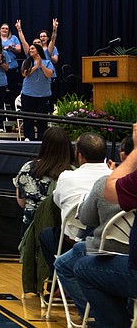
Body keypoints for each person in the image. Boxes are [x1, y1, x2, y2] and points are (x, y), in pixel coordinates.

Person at [54, 134, 133, 319]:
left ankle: (95, 317)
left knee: (70, 264)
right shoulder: (108, 178)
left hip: (109, 251)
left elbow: (86, 218)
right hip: (128, 250)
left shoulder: (106, 184)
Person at [72, 123, 137, 327]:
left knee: (82, 264)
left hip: (125, 262)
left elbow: (109, 192)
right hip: (124, 253)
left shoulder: (101, 181)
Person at [40, 132, 111, 268]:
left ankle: (62, 281)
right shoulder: (116, 178)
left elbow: (58, 202)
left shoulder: (67, 177)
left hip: (76, 243)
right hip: (112, 244)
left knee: (46, 234)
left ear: (79, 155)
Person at [13, 126, 74, 233]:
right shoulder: (74, 172)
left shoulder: (27, 168)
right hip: (62, 231)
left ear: (44, 145)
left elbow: (21, 202)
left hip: (31, 228)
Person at [20, 42, 55, 141]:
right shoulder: (27, 62)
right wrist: (36, 66)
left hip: (43, 94)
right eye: (30, 49)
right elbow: (25, 74)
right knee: (28, 116)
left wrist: (41, 65)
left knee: (42, 118)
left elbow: (49, 74)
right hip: (28, 93)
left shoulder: (47, 62)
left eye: (32, 49)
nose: (30, 50)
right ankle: (28, 136)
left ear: (38, 51)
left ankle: (42, 136)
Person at [0, 22, 22, 108]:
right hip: (1, 68)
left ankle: (13, 108)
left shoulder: (14, 38)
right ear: (0, 30)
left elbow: (19, 50)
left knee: (13, 89)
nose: (5, 30)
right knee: (1, 89)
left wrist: (11, 48)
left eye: (6, 29)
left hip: (12, 67)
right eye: (3, 28)